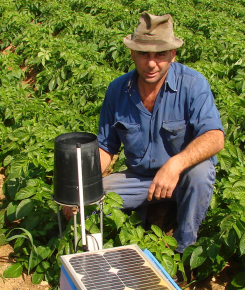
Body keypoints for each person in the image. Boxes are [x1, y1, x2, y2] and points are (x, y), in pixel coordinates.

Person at [64, 10, 223, 261]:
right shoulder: (118, 90)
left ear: (173, 54)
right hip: (140, 179)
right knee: (88, 205)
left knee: (201, 172)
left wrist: (175, 164)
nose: (151, 63)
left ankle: (183, 250)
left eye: (160, 54)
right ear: (132, 54)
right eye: (143, 54)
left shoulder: (193, 84)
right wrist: (80, 190)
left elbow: (215, 137)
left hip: (181, 176)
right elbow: (106, 146)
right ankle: (90, 256)